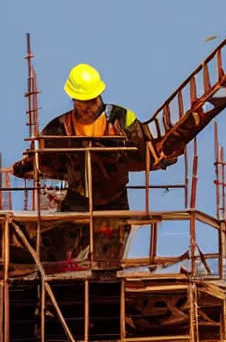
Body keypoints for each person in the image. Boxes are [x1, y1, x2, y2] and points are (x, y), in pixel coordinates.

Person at [12, 63, 150, 270]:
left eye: (89, 102)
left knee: (107, 268)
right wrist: (21, 168)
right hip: (76, 204)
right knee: (60, 264)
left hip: (113, 206)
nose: (85, 107)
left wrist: (165, 154)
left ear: (98, 96)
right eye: (80, 102)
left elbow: (146, 152)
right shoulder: (59, 128)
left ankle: (103, 292)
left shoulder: (122, 120)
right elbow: (39, 157)